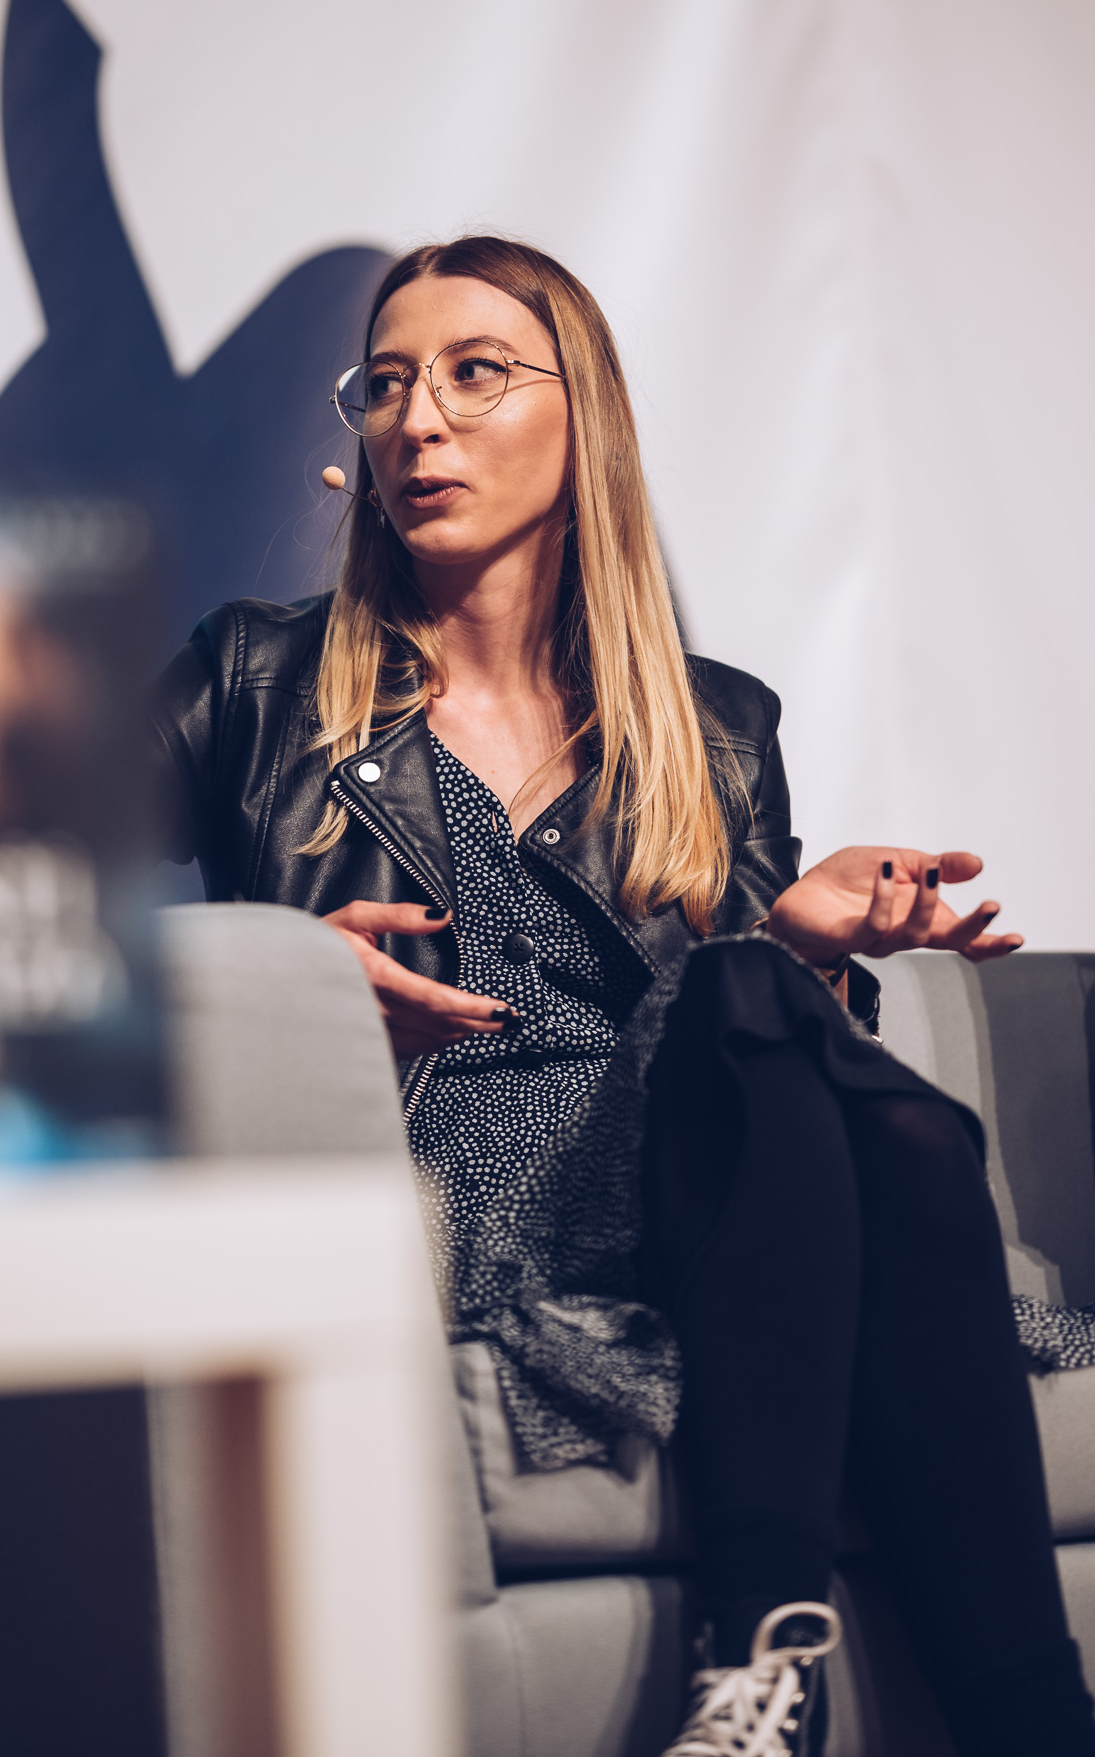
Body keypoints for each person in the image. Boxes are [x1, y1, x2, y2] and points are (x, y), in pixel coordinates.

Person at [151, 235, 1095, 1757]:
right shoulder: (255, 682)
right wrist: (281, 985)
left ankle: (779, 1692)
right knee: (824, 1065)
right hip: (460, 1196)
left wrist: (799, 941)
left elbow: (774, 1093)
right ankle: (994, 1709)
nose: (417, 420)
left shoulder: (717, 728)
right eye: (384, 386)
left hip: (691, 1194)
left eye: (474, 374)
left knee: (759, 997)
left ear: (581, 414)